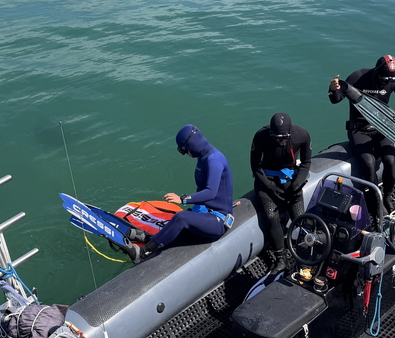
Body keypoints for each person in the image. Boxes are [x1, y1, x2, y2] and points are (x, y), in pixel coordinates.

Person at [120, 124, 234, 264]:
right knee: (175, 227)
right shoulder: (203, 157)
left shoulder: (214, 160)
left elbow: (211, 193)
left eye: (184, 151)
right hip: (205, 212)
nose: (185, 154)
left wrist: (182, 199)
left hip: (219, 220)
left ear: (191, 145)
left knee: (181, 217)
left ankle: (142, 253)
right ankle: (148, 238)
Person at [329, 54, 395, 217]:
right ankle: (377, 200)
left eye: (389, 80)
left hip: (383, 127)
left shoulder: (394, 81)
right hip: (359, 129)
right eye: (383, 78)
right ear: (376, 72)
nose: (385, 82)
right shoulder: (357, 77)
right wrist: (333, 90)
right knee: (368, 164)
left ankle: (388, 196)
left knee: (390, 161)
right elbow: (337, 99)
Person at [250, 113, 312, 272]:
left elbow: (306, 162)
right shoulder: (261, 136)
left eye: (284, 138)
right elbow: (255, 166)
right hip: (268, 180)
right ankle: (280, 259)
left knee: (299, 217)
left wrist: (297, 184)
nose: (281, 141)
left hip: (291, 180)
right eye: (277, 138)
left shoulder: (301, 135)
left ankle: (304, 256)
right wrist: (269, 187)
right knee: (272, 216)